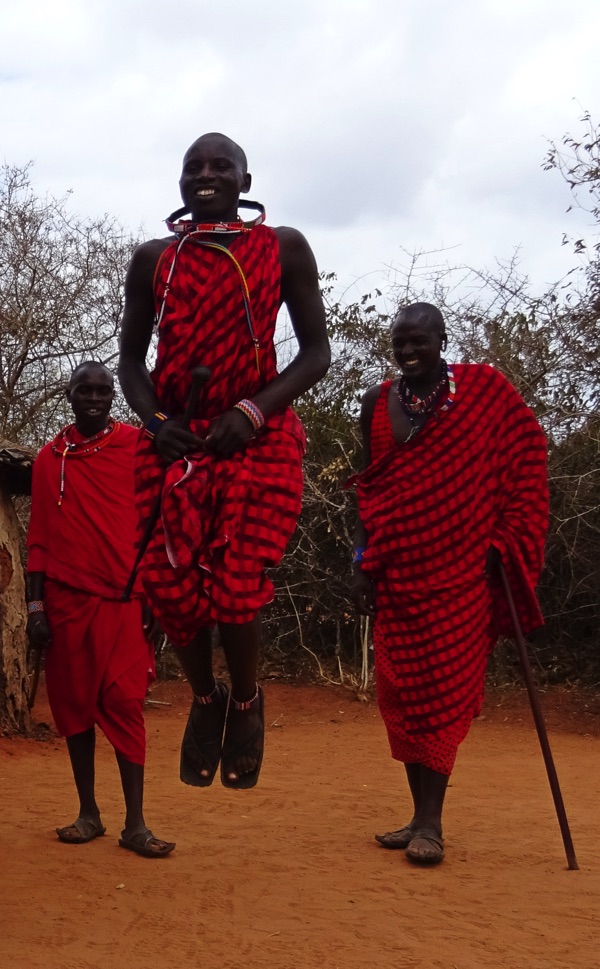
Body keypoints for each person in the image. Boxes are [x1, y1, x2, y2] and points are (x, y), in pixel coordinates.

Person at [118, 132, 330, 790]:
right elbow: (130, 360)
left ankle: (246, 701)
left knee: (236, 585)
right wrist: (157, 424)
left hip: (256, 434)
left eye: (220, 166)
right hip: (179, 438)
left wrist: (253, 412)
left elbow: (316, 353)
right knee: (173, 587)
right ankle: (205, 698)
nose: (205, 174)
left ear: (244, 179)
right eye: (193, 167)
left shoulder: (283, 248)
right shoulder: (154, 259)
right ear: (181, 183)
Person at [350, 302, 548, 865]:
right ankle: (417, 815)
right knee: (402, 697)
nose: (409, 352)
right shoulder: (376, 403)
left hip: (462, 577)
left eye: (420, 342)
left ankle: (431, 824)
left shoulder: (484, 391)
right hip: (397, 575)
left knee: (442, 697)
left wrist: (506, 539)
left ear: (442, 339)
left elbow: (530, 452)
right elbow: (368, 489)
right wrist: (361, 561)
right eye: (400, 343)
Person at [26, 362, 175, 858]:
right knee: (74, 707)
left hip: (125, 600)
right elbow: (40, 539)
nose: (93, 398)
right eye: (83, 390)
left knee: (125, 702)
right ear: (68, 395)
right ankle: (88, 813)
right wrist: (34, 607)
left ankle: (136, 824)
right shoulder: (50, 459)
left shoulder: (138, 444)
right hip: (67, 602)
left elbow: (160, 523)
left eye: (102, 391)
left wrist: (157, 594)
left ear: (114, 396)